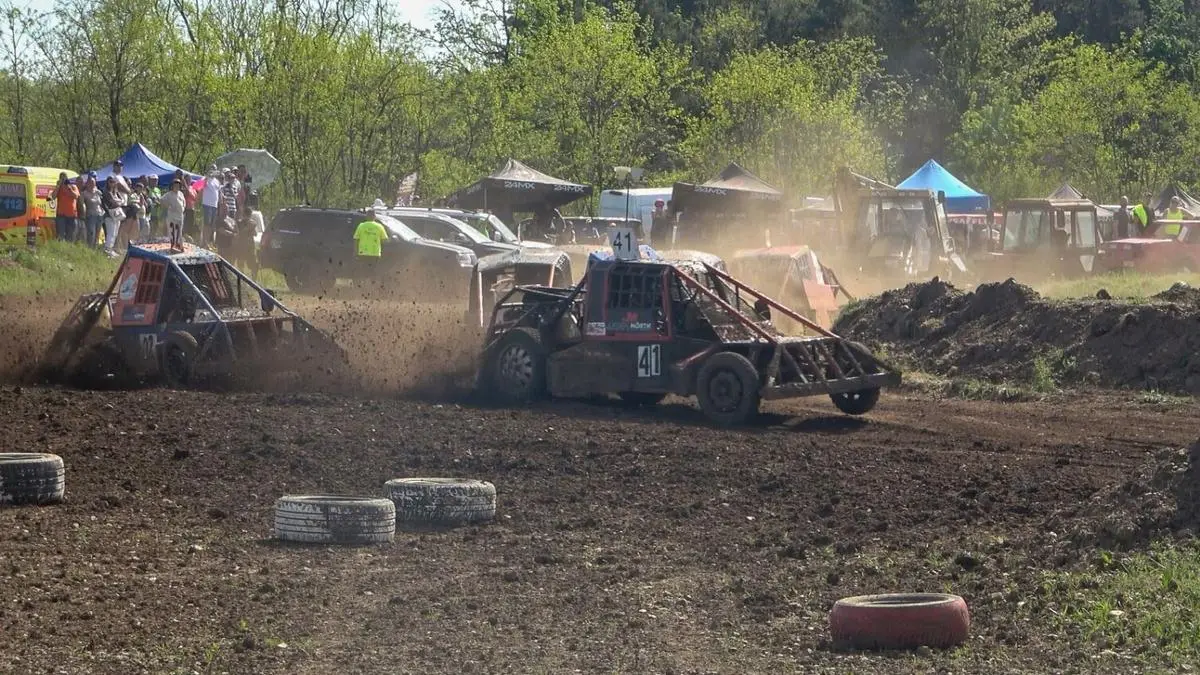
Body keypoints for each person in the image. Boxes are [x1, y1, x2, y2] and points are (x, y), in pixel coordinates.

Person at [353, 208, 388, 283]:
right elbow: (385, 240)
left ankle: (362, 286)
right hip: (375, 253)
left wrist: (355, 251)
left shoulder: (361, 226)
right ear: (374, 217)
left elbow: (356, 239)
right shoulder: (379, 227)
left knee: (363, 271)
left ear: (366, 216)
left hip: (363, 253)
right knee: (373, 272)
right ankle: (372, 287)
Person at [101, 179, 126, 257]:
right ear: (107, 183)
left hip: (117, 214)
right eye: (110, 182)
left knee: (115, 233)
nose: (112, 184)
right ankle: (107, 249)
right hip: (109, 215)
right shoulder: (106, 192)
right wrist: (118, 202)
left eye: (113, 182)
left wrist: (117, 201)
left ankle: (111, 249)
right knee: (110, 233)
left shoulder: (116, 192)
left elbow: (122, 201)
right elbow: (112, 202)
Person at [52, 172, 80, 243]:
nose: (63, 179)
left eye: (64, 177)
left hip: (72, 215)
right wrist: (58, 186)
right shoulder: (59, 188)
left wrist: (69, 187)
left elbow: (76, 196)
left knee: (70, 236)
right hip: (61, 215)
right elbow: (53, 197)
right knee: (60, 236)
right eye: (61, 178)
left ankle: (68, 250)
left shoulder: (73, 186)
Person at [162, 179, 187, 251]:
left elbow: (184, 202)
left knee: (179, 231)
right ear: (172, 186)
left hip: (180, 215)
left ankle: (179, 245)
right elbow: (162, 200)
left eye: (178, 185)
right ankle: (173, 245)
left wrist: (183, 207)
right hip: (172, 216)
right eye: (175, 185)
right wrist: (168, 206)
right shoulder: (169, 194)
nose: (177, 186)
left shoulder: (181, 194)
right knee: (172, 231)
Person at [200, 164, 221, 246]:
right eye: (212, 169)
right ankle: (204, 241)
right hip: (207, 204)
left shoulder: (217, 181)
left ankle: (207, 242)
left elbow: (219, 192)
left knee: (212, 225)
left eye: (215, 169)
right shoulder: (205, 179)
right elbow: (198, 186)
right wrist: (206, 177)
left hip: (214, 205)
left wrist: (221, 201)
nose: (213, 170)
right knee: (206, 224)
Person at [80, 174, 102, 248]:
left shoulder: (98, 192)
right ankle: (90, 248)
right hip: (90, 215)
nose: (92, 184)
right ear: (87, 183)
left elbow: (101, 203)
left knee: (97, 234)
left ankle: (95, 248)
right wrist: (84, 213)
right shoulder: (84, 193)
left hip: (99, 215)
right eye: (90, 182)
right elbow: (82, 204)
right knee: (91, 233)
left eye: (93, 182)